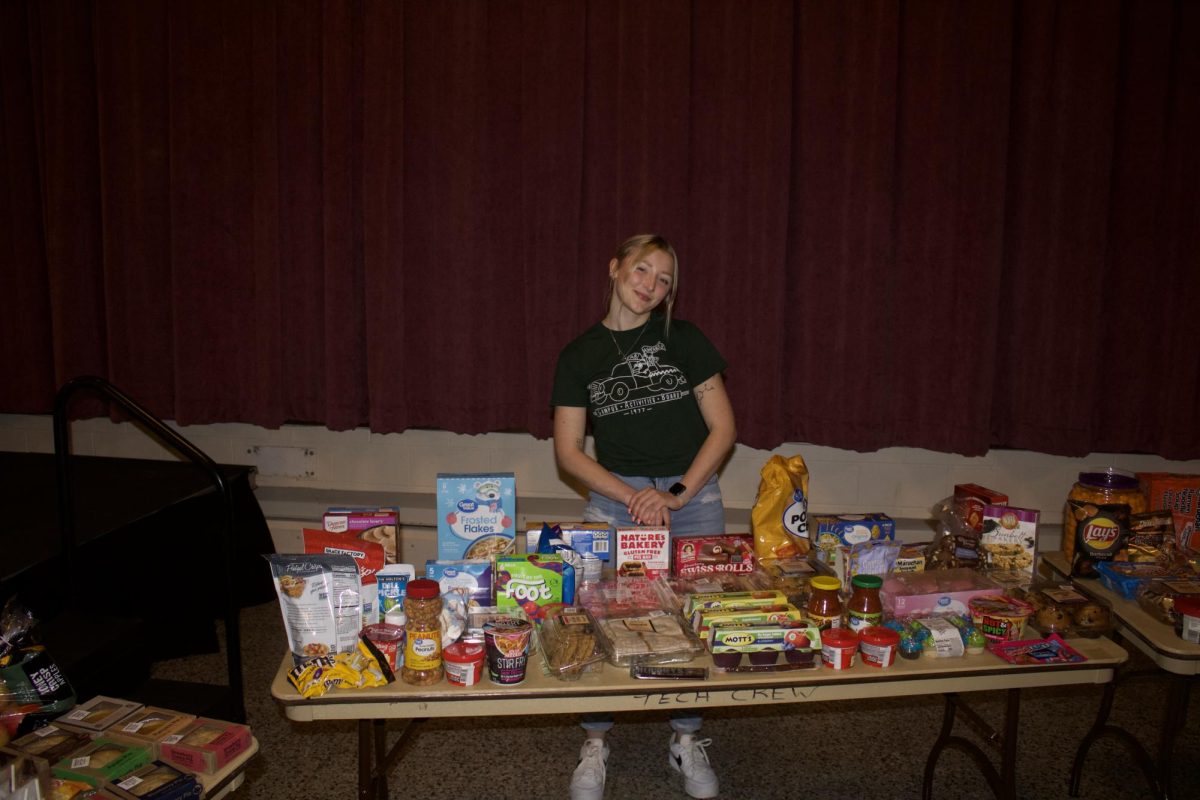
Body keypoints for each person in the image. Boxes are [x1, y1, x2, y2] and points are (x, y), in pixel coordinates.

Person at [551, 233, 737, 800]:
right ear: (615, 268)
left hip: (692, 501)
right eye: (642, 270)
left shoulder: (685, 340)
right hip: (616, 502)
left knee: (696, 621)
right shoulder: (579, 354)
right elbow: (569, 451)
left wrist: (676, 494)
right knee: (601, 619)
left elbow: (724, 429)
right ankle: (596, 740)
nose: (650, 286)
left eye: (663, 280)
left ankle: (686, 738)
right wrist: (634, 498)